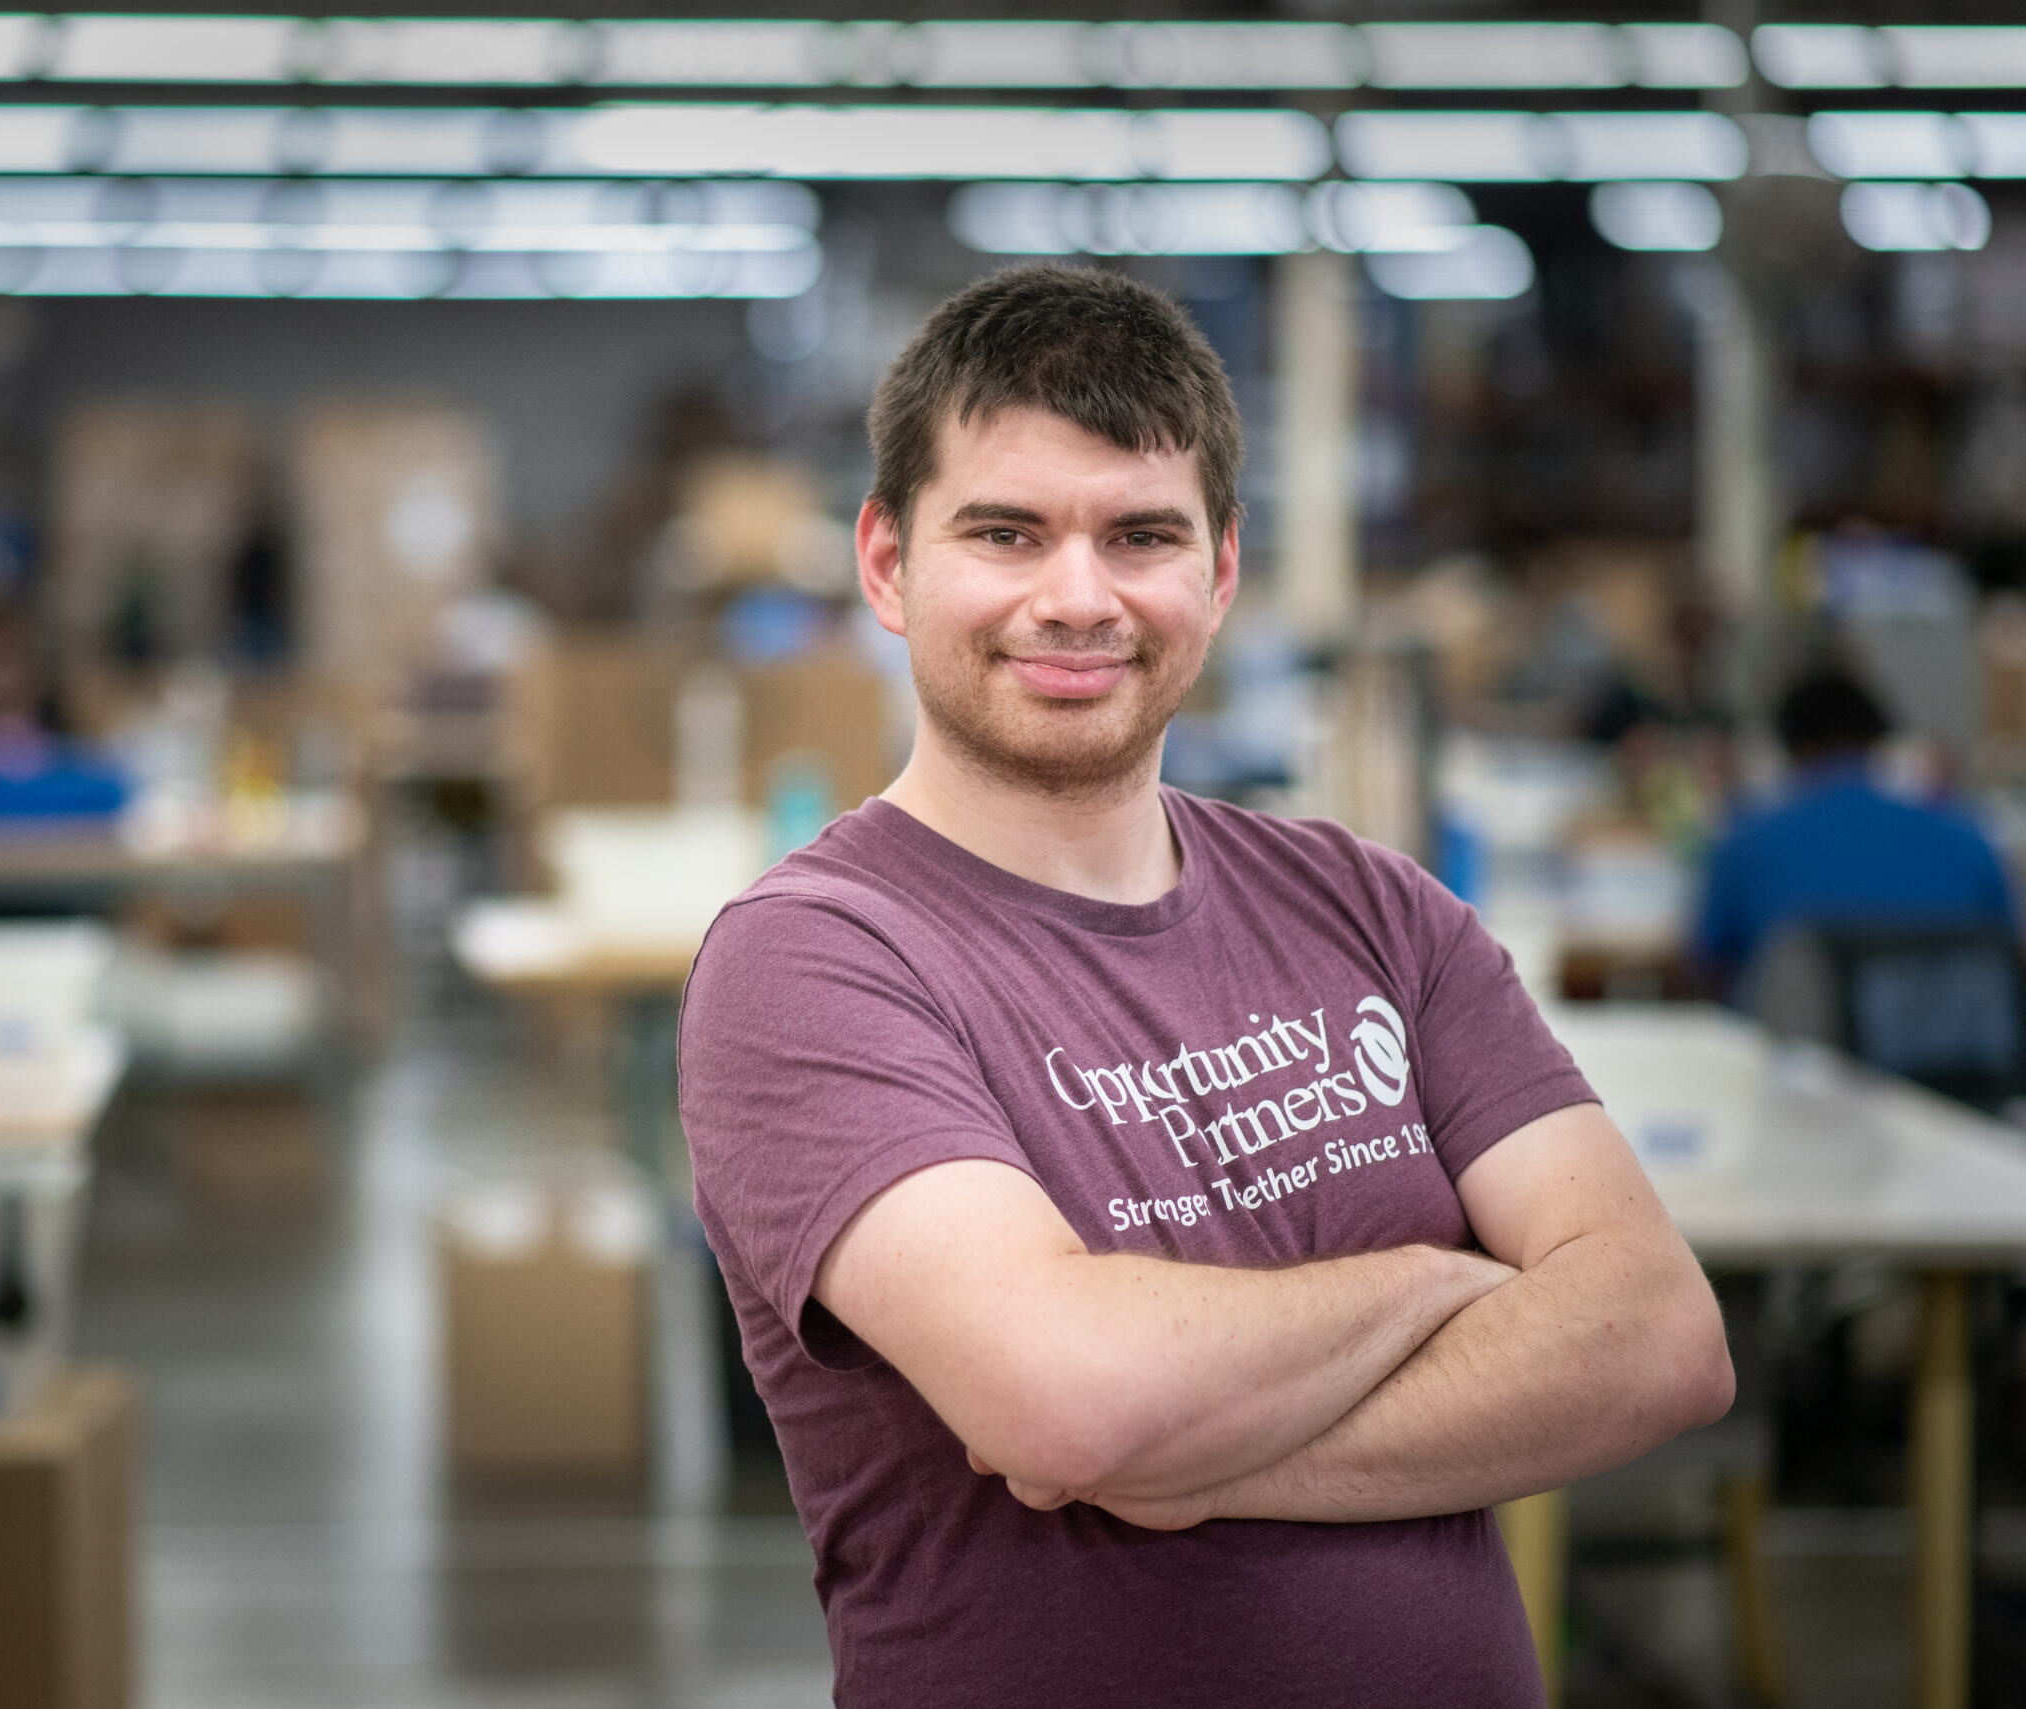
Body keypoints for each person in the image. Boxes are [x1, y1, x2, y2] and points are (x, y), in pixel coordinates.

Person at [677, 266, 1733, 1708]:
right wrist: (1448, 1281)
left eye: (1140, 535)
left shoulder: (1374, 907)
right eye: (1005, 531)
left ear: (1221, 574)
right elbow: (1069, 1400)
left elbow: (1661, 1340)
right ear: (886, 562)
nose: (1076, 596)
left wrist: (1192, 1454)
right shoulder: (815, 959)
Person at [1693, 664, 2014, 999]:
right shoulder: (1969, 843)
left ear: (1788, 747)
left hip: (1796, 1044)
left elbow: (1708, 964)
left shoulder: (1746, 844)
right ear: (1878, 739)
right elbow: (2005, 960)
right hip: (1947, 1047)